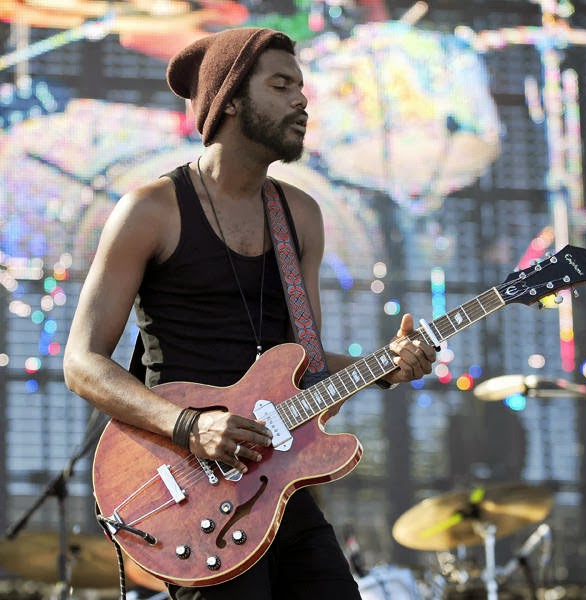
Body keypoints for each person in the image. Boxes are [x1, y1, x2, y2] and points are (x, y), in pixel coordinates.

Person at [63, 27, 437, 600]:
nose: (302, 101)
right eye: (282, 85)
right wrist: (190, 425)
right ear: (230, 98)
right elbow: (83, 363)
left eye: (302, 87)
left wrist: (385, 365)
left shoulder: (301, 217)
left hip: (274, 480)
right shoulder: (151, 210)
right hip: (189, 487)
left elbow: (304, 364)